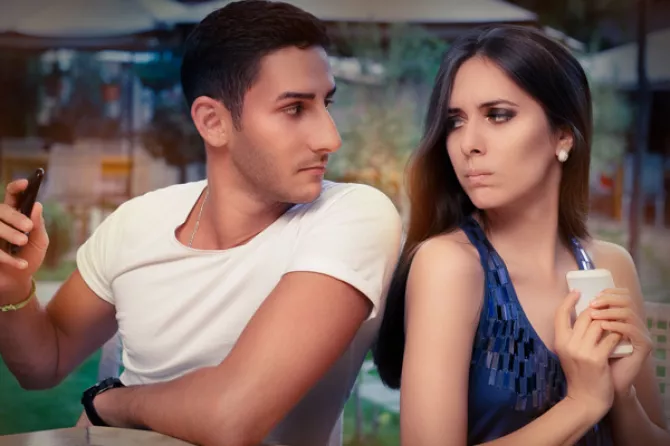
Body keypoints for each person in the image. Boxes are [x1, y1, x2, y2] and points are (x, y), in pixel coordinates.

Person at [0, 2, 402, 446]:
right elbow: (43, 363)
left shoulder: (352, 215)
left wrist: (112, 403)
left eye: (326, 103)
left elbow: (232, 417)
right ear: (213, 122)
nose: (331, 138)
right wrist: (12, 286)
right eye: (294, 109)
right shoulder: (137, 222)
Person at [372, 25, 669, 446]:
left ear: (562, 135)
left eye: (498, 115)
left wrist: (621, 397)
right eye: (455, 121)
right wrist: (582, 403)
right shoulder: (450, 266)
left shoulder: (610, 266)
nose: (468, 143)